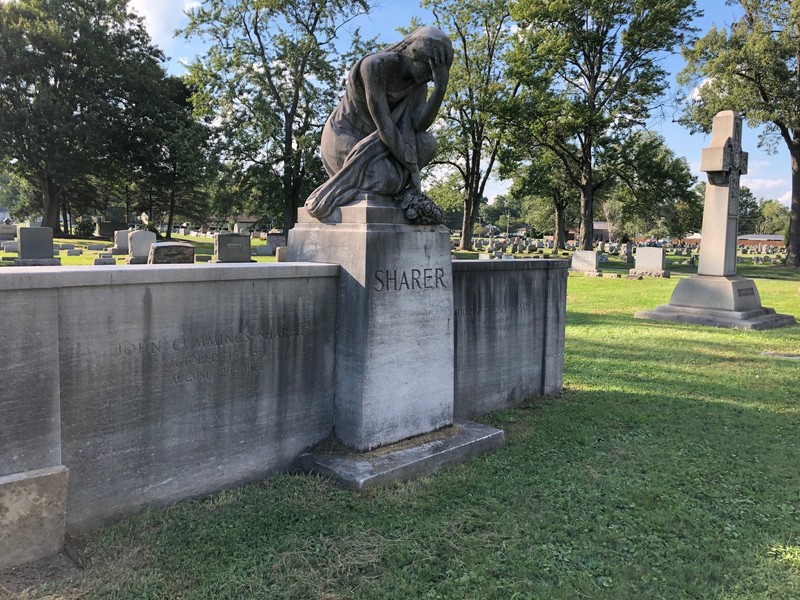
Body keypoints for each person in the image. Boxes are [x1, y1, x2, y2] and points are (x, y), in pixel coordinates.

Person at [304, 26, 453, 219]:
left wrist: (440, 90)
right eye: (431, 68)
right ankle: (371, 188)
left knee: (428, 144)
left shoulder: (419, 85)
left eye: (437, 74)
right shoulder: (374, 66)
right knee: (387, 180)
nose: (432, 77)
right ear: (415, 55)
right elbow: (385, 125)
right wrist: (412, 167)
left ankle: (396, 190)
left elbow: (419, 127)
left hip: (388, 144)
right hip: (347, 135)